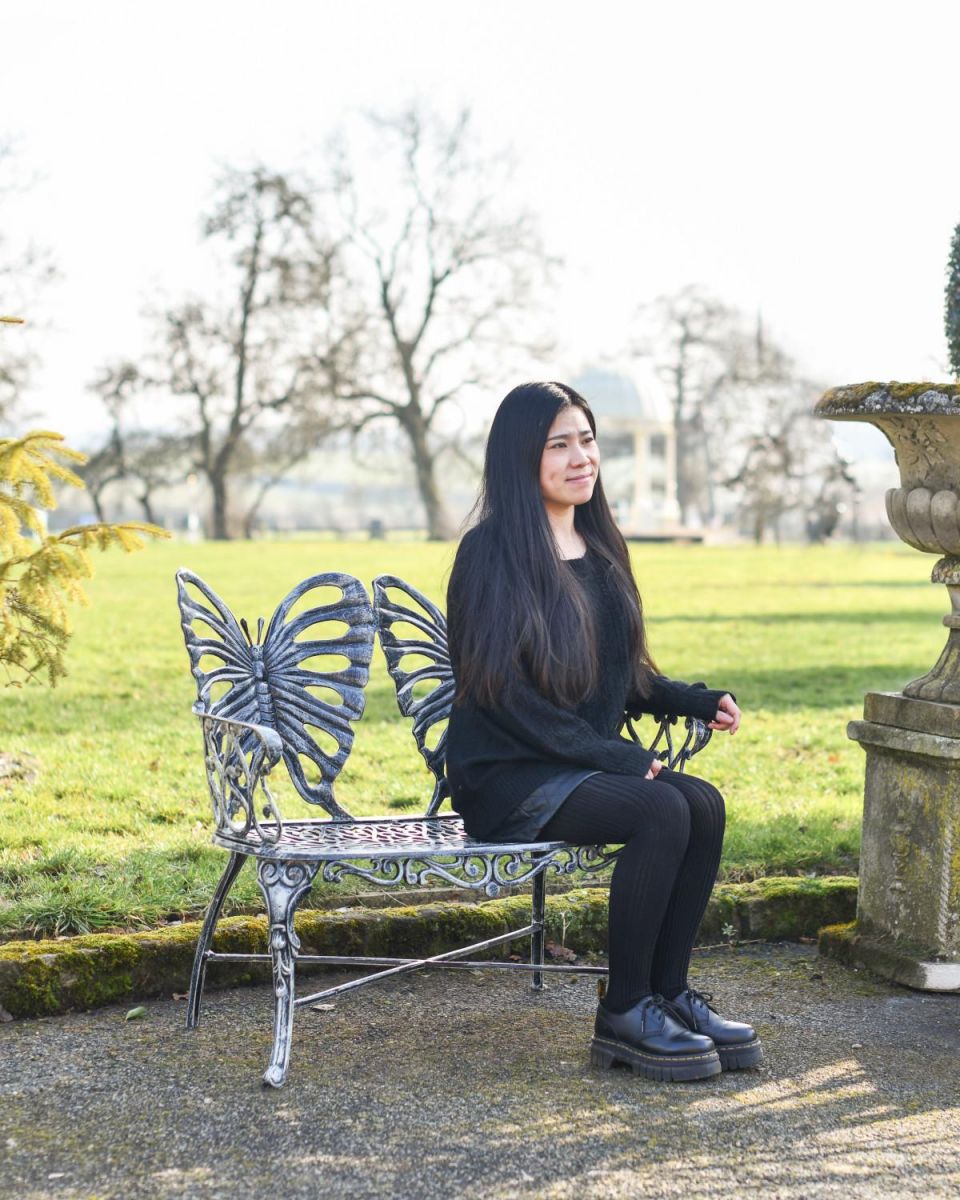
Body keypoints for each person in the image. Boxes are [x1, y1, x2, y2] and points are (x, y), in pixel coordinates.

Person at [444, 381, 762, 1083]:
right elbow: (498, 695)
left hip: (575, 764)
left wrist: (693, 700)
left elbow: (621, 675)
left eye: (586, 440)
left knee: (701, 804)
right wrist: (612, 755)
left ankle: (669, 996)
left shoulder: (598, 544)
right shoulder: (489, 553)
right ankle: (623, 1012)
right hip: (506, 773)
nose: (580, 457)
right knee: (658, 808)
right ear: (521, 459)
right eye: (559, 444)